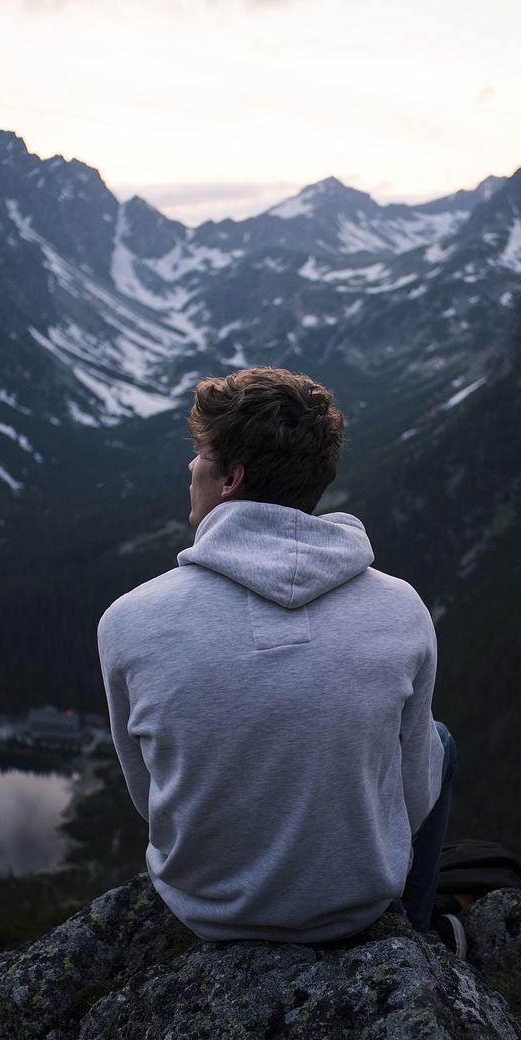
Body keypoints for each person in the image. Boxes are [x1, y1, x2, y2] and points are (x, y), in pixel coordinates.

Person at [97, 366, 463, 953]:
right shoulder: (401, 607)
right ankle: (414, 939)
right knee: (437, 741)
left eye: (201, 454)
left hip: (207, 912)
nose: (191, 466)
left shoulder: (128, 619)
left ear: (231, 479)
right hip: (355, 909)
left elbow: (151, 794)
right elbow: (413, 800)